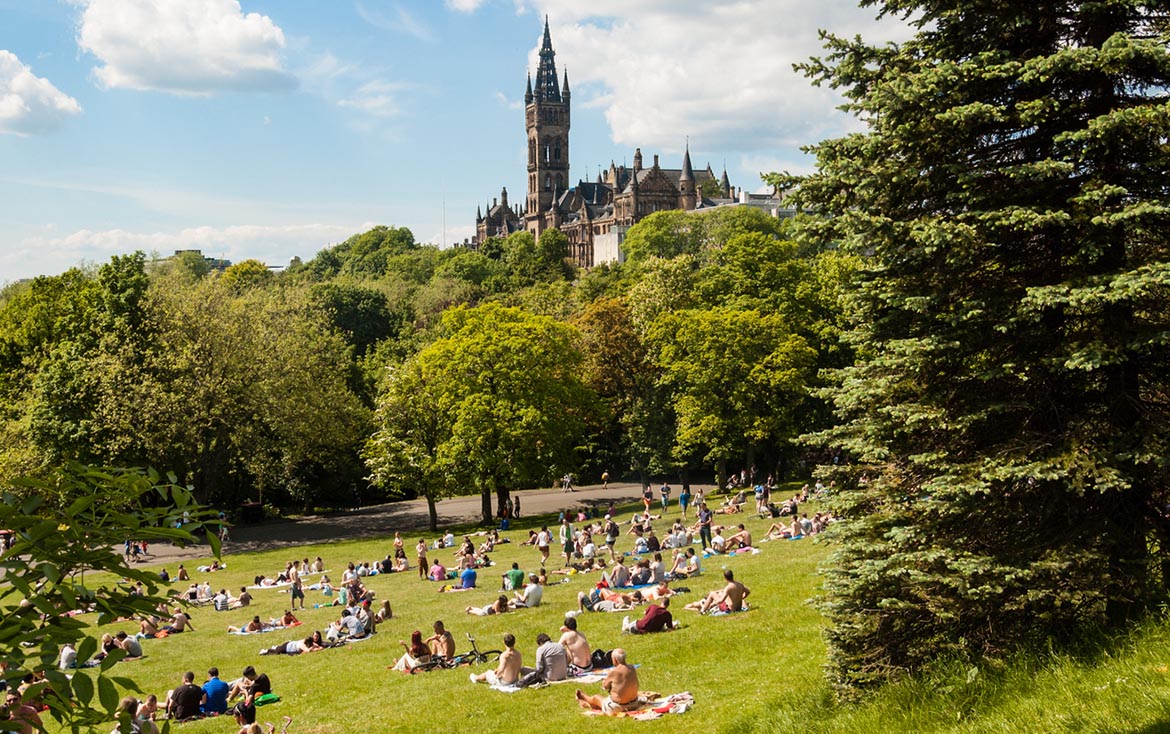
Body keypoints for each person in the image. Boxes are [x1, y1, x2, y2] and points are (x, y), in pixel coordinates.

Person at [575, 648, 640, 714]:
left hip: (618, 707)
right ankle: (589, 703)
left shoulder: (614, 672)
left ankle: (584, 698)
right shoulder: (632, 668)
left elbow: (605, 686)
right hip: (634, 704)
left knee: (596, 697)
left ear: (615, 659)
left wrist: (605, 682)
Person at [685, 569, 751, 614]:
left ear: (725, 578)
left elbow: (721, 600)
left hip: (730, 610)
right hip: (738, 608)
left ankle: (702, 611)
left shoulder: (728, 588)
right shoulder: (740, 584)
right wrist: (742, 598)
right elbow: (748, 592)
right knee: (719, 593)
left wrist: (712, 604)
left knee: (712, 593)